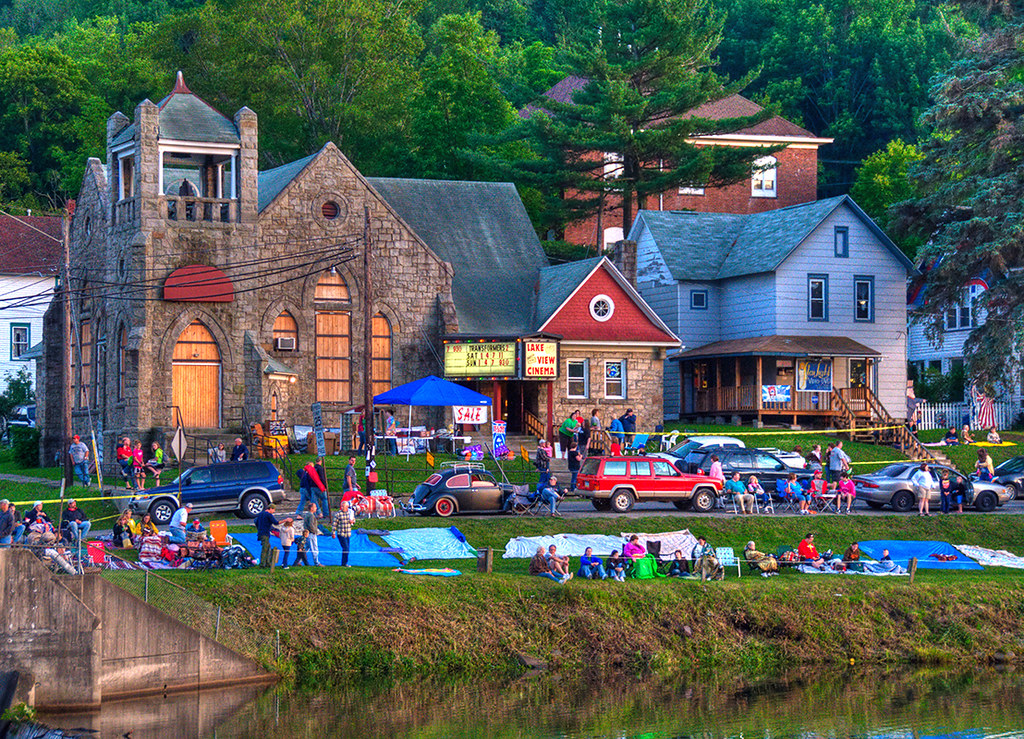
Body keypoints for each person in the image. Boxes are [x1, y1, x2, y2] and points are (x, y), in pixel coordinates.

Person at [333, 500, 354, 567]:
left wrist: (352, 521)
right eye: (341, 506)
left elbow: (353, 521)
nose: (342, 507)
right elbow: (334, 524)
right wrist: (333, 532)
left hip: (348, 534)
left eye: (343, 506)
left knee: (347, 549)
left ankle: (344, 563)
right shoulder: (338, 514)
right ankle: (344, 563)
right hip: (341, 534)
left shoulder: (350, 513)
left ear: (347, 507)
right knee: (346, 548)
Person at [302, 502, 322, 566]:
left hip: (307, 534)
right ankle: (317, 563)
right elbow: (311, 525)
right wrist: (314, 531)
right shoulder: (311, 515)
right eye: (315, 507)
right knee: (314, 548)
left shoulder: (307, 515)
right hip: (311, 534)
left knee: (306, 548)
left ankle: (299, 560)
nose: (316, 508)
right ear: (311, 508)